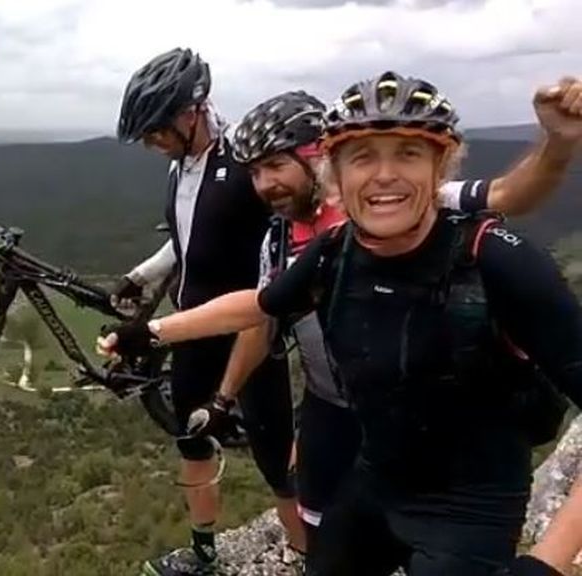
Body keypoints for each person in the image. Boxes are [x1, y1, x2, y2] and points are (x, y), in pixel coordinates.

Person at [100, 70, 582, 575]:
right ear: (337, 173)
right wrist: (153, 331)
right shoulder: (336, 250)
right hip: (375, 482)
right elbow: (262, 304)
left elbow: (512, 192)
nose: (384, 175)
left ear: (441, 167)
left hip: (469, 507)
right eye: (362, 157)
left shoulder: (495, 258)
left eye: (408, 154)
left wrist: (549, 559)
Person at [114, 47, 299, 575]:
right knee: (191, 440)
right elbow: (185, 239)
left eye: (157, 131)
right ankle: (204, 555)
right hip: (192, 328)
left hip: (249, 329)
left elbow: (279, 250)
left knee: (275, 454)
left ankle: (307, 556)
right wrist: (141, 276)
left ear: (191, 110)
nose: (152, 144)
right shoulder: (181, 168)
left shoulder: (244, 161)